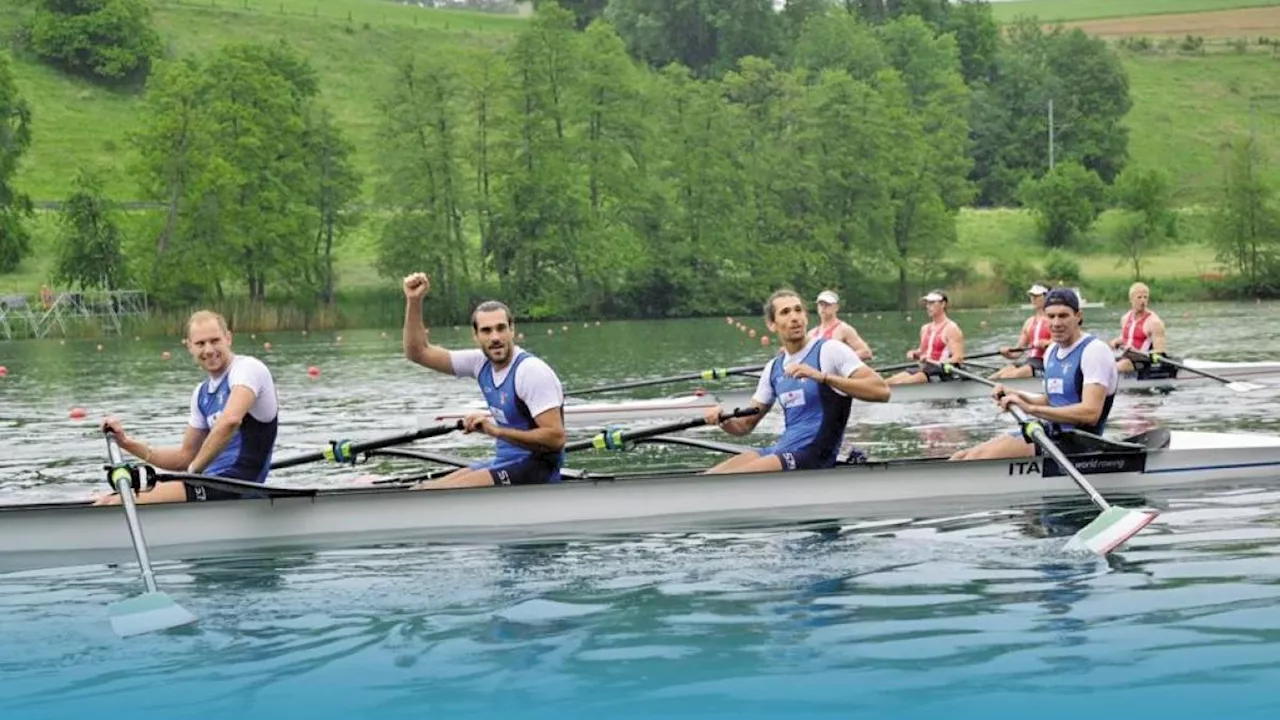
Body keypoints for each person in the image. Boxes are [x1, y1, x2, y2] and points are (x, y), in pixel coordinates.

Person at [401, 272, 566, 489]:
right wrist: (414, 300)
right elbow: (417, 352)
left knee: (434, 493)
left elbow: (556, 438)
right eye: (486, 331)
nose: (495, 337)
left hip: (537, 468)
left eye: (501, 328)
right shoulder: (479, 363)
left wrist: (494, 430)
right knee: (421, 490)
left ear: (512, 329)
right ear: (476, 335)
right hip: (506, 462)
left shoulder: (531, 372)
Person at [95, 310, 280, 504]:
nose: (208, 350)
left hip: (240, 486)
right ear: (190, 347)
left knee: (115, 503)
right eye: (200, 343)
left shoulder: (248, 369)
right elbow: (185, 457)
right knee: (105, 499)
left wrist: (192, 474)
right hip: (209, 483)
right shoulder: (201, 394)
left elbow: (230, 421)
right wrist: (126, 443)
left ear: (228, 339)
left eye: (215, 340)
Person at [700, 289, 891, 474]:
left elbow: (882, 391)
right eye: (785, 312)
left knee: (732, 478)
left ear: (806, 317)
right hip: (783, 450)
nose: (794, 317)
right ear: (772, 324)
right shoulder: (773, 368)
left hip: (814, 455)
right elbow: (744, 425)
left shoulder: (830, 350)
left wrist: (822, 377)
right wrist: (723, 420)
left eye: (798, 310)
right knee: (706, 479)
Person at [949, 288, 1118, 461]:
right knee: (961, 456)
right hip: (1051, 434)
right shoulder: (1052, 351)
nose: (1056, 323)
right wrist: (1015, 394)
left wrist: (1030, 409)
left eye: (1063, 316)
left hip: (1080, 445)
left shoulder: (1094, 351)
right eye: (1051, 316)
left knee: (974, 458)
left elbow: (1090, 414)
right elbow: (1051, 400)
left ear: (1079, 316)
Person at [885, 289, 965, 385]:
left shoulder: (951, 328)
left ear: (943, 304)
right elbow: (922, 352)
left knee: (901, 383)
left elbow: (958, 358)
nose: (928, 306)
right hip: (924, 369)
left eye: (932, 303)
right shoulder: (925, 328)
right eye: (927, 303)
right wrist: (915, 353)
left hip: (941, 372)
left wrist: (934, 361)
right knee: (887, 382)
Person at [1110, 282, 1172, 378]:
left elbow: (1160, 352)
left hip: (1142, 362)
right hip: (1125, 356)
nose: (1143, 301)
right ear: (1131, 299)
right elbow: (1128, 337)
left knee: (1123, 364)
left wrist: (1139, 353)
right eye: (1139, 297)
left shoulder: (1154, 322)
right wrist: (1116, 342)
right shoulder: (1125, 318)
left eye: (1145, 297)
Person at [991, 283, 1053, 379]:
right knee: (999, 374)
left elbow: (1062, 345)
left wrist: (1047, 343)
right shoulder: (1029, 322)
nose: (1033, 298)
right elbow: (1018, 352)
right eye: (1032, 296)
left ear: (1047, 297)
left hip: (1047, 365)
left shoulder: (1054, 321)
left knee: (1010, 376)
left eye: (1037, 296)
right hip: (1030, 362)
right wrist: (1007, 353)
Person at [810, 290, 874, 361]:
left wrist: (841, 360)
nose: (823, 307)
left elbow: (866, 352)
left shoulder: (844, 329)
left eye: (827, 304)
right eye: (821, 304)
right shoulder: (811, 333)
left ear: (836, 307)